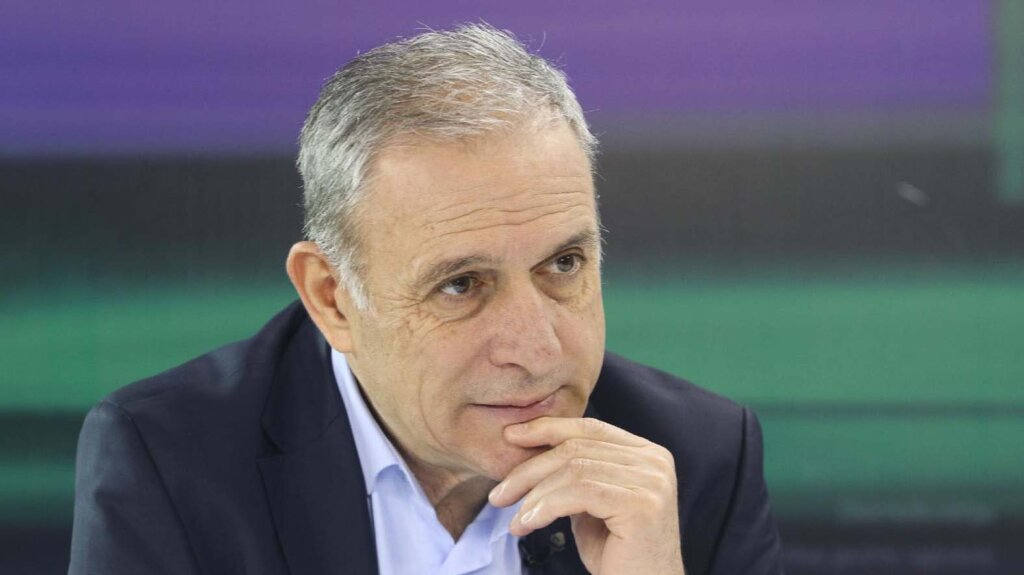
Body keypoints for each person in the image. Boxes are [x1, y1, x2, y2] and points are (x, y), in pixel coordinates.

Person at [69, 24, 782, 575]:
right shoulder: (170, 460)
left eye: (563, 264)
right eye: (461, 284)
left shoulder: (695, 462)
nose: (537, 351)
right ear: (332, 298)